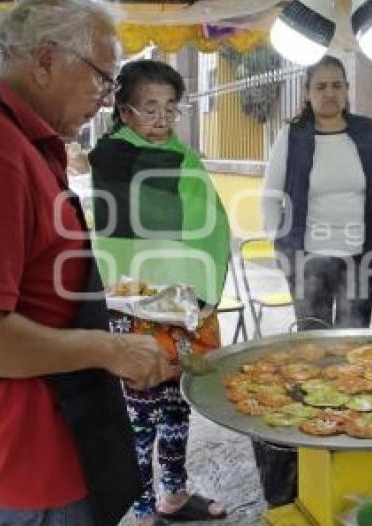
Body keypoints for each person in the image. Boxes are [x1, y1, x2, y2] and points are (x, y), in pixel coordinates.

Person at [0, 0, 178, 526]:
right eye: (103, 77)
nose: (106, 98)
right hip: (32, 447)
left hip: (45, 430)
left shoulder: (9, 135)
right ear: (47, 59)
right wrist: (110, 349)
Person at [89, 60, 229, 524]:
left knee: (176, 404)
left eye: (170, 108)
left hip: (186, 304)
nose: (162, 119)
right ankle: (142, 501)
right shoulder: (112, 156)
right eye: (149, 108)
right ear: (124, 111)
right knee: (141, 410)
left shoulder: (183, 154)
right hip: (138, 307)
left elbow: (208, 221)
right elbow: (134, 227)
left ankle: (173, 491)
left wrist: (201, 292)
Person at [262, 55, 372, 330]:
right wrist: (277, 239)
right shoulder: (292, 136)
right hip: (307, 259)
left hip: (362, 258)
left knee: (354, 336)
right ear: (307, 93)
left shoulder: (371, 132)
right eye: (321, 86)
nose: (330, 93)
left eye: (337, 85)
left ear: (347, 90)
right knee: (312, 337)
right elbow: (270, 194)